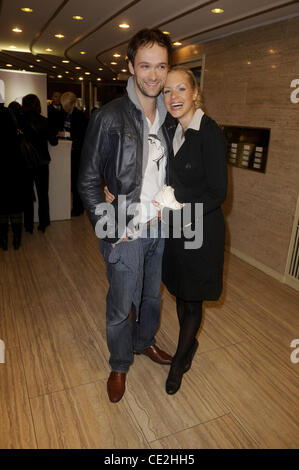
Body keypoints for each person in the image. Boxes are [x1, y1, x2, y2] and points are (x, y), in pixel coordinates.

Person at [78, 28, 174, 403]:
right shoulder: (110, 116)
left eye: (161, 66)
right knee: (120, 307)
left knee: (152, 298)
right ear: (131, 66)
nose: (154, 74)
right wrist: (110, 229)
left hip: (160, 228)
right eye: (146, 65)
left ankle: (145, 342)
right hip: (126, 232)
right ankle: (120, 363)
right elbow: (87, 180)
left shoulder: (170, 118)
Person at [154, 66, 228, 394]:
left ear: (195, 92)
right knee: (181, 292)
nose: (173, 97)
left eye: (180, 89)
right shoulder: (171, 127)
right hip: (176, 225)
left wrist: (176, 197)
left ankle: (180, 362)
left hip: (201, 227)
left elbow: (218, 192)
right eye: (168, 91)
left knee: (193, 298)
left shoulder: (209, 133)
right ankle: (188, 346)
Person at [22, 94, 58, 233]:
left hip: (26, 163)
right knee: (43, 194)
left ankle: (28, 225)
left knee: (27, 195)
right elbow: (54, 142)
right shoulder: (45, 121)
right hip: (42, 162)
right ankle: (43, 223)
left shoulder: (21, 121)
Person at [0, 104, 24, 250]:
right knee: (15, 208)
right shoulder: (17, 137)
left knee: (2, 209)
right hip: (15, 175)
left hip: (1, 176)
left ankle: (3, 240)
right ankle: (16, 240)